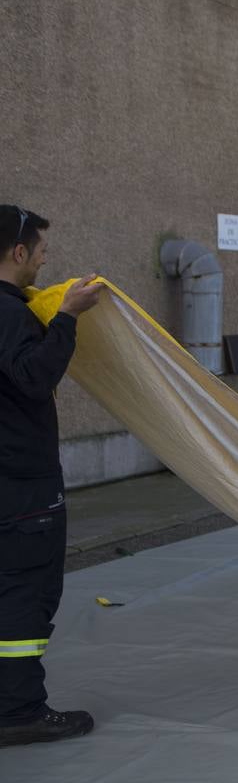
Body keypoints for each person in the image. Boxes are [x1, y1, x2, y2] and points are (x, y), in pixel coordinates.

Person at [0, 205, 102, 746]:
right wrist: (66, 318)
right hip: (21, 486)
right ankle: (18, 711)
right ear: (18, 253)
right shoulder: (10, 314)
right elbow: (33, 378)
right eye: (40, 250)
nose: (44, 259)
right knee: (24, 594)